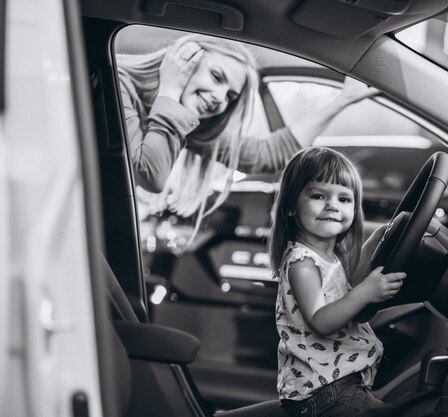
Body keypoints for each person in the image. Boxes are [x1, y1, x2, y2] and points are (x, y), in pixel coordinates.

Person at [115, 34, 379, 231]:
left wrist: (343, 100)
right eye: (216, 76)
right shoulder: (119, 83)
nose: (219, 98)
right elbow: (150, 174)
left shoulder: (187, 122)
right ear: (182, 60)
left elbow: (267, 154)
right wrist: (170, 90)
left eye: (229, 95)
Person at [268, 147, 406, 417]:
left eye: (344, 199)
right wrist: (366, 293)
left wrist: (380, 239)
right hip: (320, 393)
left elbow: (342, 291)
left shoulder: (328, 256)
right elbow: (321, 320)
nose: (332, 205)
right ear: (290, 207)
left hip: (335, 384)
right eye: (318, 196)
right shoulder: (303, 263)